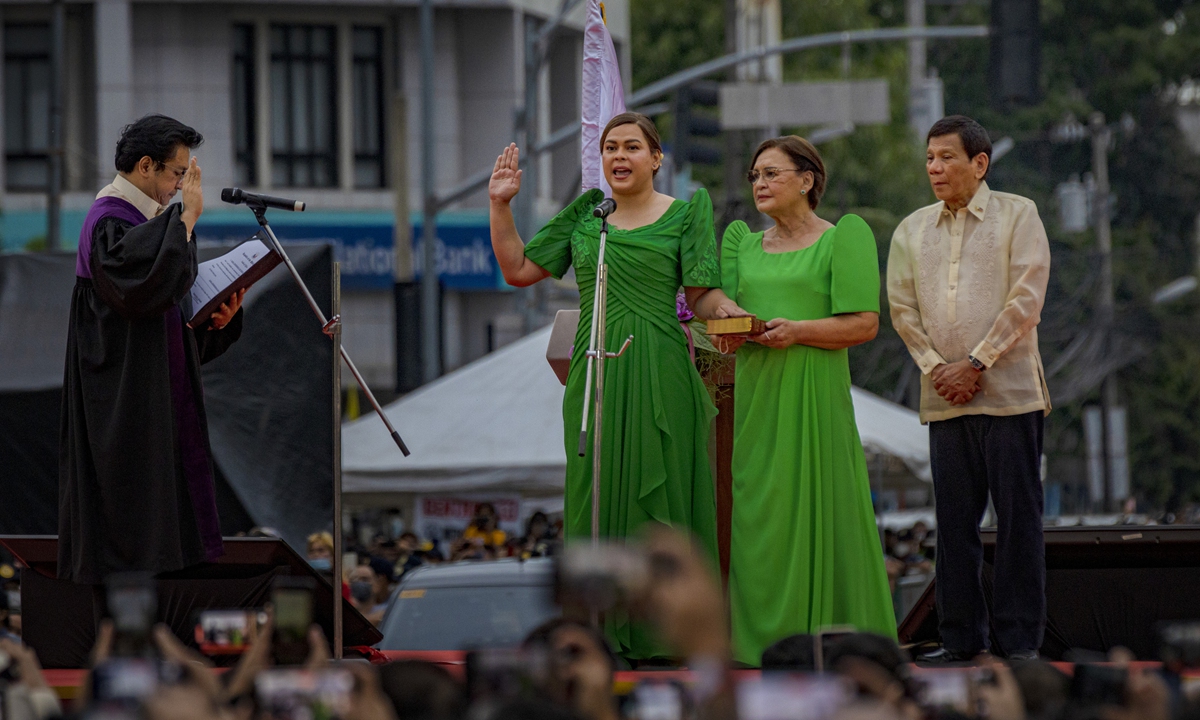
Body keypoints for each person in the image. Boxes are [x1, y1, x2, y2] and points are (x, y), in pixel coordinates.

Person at [488, 112, 744, 659]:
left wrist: (733, 312)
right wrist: (501, 204)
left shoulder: (685, 214)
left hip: (662, 365)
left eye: (632, 147)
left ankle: (668, 636)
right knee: (594, 495)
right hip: (594, 366)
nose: (619, 156)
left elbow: (703, 294)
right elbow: (517, 268)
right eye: (610, 148)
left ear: (657, 159)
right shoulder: (588, 215)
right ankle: (599, 632)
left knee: (667, 497)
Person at [715, 136, 896, 665]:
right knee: (758, 513)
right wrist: (728, 321)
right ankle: (757, 647)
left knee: (826, 509)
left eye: (771, 173)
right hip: (756, 398)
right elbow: (723, 314)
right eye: (754, 176)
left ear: (807, 179)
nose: (760, 185)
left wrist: (799, 331)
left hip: (815, 396)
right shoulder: (741, 244)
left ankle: (840, 644)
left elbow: (863, 323)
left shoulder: (843, 239)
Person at [887, 115, 1051, 662]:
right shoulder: (910, 229)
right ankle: (960, 640)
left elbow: (1026, 297)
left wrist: (977, 362)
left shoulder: (1018, 214)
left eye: (947, 157)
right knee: (953, 525)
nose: (935, 168)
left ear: (980, 164)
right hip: (943, 397)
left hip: (1010, 394)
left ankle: (1019, 644)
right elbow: (903, 311)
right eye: (929, 158)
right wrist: (939, 368)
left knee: (1018, 523)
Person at [59, 114, 246, 586]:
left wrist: (211, 323)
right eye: (176, 174)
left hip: (154, 404)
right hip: (121, 412)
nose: (181, 186)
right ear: (146, 166)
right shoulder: (109, 222)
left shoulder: (148, 227)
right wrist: (187, 218)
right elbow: (135, 296)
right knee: (134, 532)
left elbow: (160, 324)